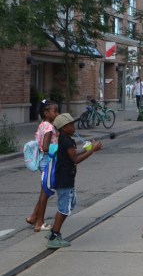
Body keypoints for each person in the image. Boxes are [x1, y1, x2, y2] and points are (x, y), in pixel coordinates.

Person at [47, 113, 103, 248]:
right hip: (65, 179)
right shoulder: (67, 141)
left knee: (69, 205)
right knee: (64, 208)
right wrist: (92, 151)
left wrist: (85, 150)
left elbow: (72, 155)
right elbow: (75, 160)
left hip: (66, 178)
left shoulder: (65, 139)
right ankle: (54, 236)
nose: (73, 127)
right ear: (63, 128)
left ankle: (54, 231)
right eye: (70, 125)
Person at [25, 100, 59, 232]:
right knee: (46, 191)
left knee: (44, 190)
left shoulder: (42, 125)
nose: (57, 114)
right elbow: (45, 147)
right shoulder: (49, 127)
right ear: (46, 112)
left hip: (42, 160)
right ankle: (40, 223)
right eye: (54, 111)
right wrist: (57, 146)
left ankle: (34, 217)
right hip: (47, 160)